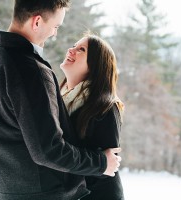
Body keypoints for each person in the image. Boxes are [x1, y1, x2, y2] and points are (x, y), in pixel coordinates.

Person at [0, 1, 121, 200]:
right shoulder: (32, 70)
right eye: (55, 26)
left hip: (9, 192)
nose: (54, 34)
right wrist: (101, 163)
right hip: (46, 193)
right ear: (37, 22)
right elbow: (48, 150)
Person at [60, 33, 125, 200]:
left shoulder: (106, 107)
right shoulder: (58, 98)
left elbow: (108, 166)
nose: (71, 50)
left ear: (96, 65)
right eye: (74, 45)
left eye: (81, 49)